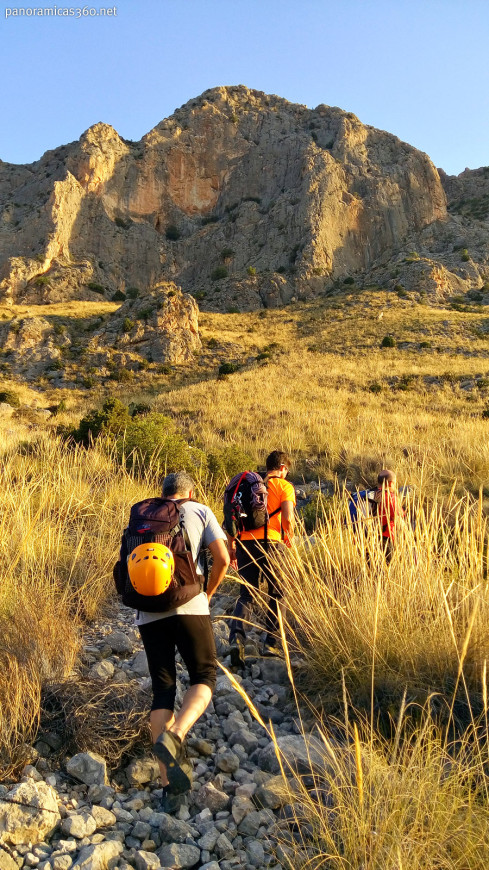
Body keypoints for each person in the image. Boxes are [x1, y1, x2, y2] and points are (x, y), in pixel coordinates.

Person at [126, 471, 229, 807]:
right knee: (204, 675)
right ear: (190, 491)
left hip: (148, 612)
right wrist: (208, 593)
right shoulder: (200, 511)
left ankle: (169, 784)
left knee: (163, 688)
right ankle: (177, 734)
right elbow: (224, 559)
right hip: (190, 606)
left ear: (162, 494)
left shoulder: (142, 519)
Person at [227, 450, 295, 664]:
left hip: (245, 544)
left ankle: (236, 639)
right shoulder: (285, 486)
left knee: (246, 593)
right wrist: (289, 538)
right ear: (283, 468)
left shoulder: (249, 484)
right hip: (272, 543)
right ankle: (271, 644)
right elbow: (288, 518)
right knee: (278, 592)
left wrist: (232, 546)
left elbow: (231, 518)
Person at [374, 468, 405, 563]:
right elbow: (398, 520)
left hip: (368, 538)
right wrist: (410, 538)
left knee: (373, 571)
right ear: (391, 483)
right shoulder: (390, 498)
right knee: (384, 573)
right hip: (385, 540)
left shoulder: (371, 495)